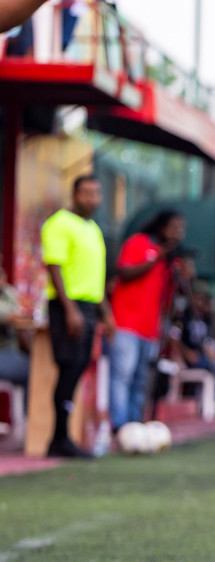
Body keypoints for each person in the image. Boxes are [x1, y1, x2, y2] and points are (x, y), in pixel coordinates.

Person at [40, 174, 108, 457]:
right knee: (68, 367)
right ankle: (58, 439)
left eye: (95, 193)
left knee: (78, 367)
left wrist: (108, 313)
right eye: (86, 193)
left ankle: (63, 437)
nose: (91, 199)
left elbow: (96, 277)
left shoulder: (92, 228)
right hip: (68, 305)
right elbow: (54, 267)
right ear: (74, 194)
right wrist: (70, 310)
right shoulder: (59, 224)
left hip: (89, 307)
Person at [107, 210, 184, 434]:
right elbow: (125, 272)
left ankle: (135, 423)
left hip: (151, 328)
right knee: (123, 374)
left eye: (181, 228)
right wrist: (156, 258)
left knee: (141, 379)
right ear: (161, 227)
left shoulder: (172, 260)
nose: (178, 233)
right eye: (174, 227)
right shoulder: (139, 243)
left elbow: (170, 298)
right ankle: (119, 426)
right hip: (126, 323)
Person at [0, 280, 34, 414]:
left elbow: (20, 308)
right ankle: (29, 417)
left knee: (33, 366)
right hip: (4, 353)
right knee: (33, 370)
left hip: (10, 352)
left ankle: (27, 416)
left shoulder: (7, 292)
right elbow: (11, 315)